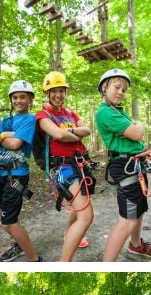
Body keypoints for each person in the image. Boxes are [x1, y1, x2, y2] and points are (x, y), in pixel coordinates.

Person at [95, 68, 151, 261]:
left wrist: (134, 128)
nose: (120, 92)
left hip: (134, 164)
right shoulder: (105, 113)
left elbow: (133, 132)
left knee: (139, 210)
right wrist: (137, 127)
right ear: (104, 87)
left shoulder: (118, 112)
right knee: (128, 219)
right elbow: (137, 133)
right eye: (117, 87)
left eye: (124, 90)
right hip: (125, 166)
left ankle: (136, 245)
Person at [36, 71, 95, 261]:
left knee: (81, 210)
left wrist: (71, 132)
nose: (58, 95)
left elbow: (87, 130)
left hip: (79, 164)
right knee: (86, 216)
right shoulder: (42, 114)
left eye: (61, 90)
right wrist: (75, 134)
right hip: (63, 167)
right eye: (53, 91)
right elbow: (58, 136)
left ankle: (70, 234)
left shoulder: (70, 113)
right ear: (47, 93)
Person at [0, 80, 41, 262]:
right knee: (9, 218)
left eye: (22, 97)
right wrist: (3, 135)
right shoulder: (7, 121)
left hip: (16, 176)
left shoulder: (29, 119)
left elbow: (16, 144)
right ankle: (19, 244)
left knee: (8, 222)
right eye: (15, 97)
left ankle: (33, 259)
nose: (18, 101)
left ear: (30, 100)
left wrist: (2, 137)